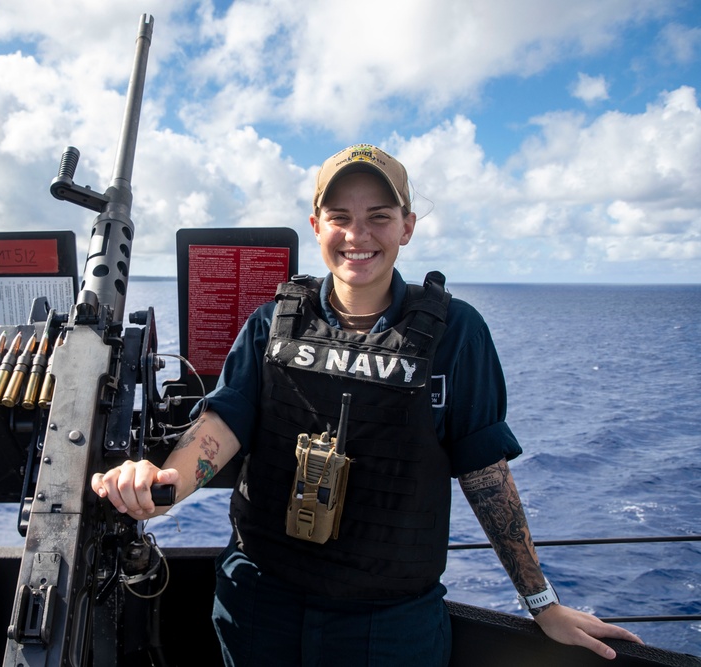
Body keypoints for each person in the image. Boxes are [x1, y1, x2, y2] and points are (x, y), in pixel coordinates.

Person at [92, 144, 643, 665]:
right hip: (261, 604)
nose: (358, 234)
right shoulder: (270, 325)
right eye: (340, 217)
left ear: (407, 226)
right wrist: (162, 486)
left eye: (378, 216)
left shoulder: (457, 333)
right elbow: (224, 423)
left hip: (390, 623)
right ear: (317, 227)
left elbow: (484, 472)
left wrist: (541, 602)